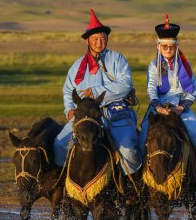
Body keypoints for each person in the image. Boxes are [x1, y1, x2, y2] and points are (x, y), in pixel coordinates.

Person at [53, 9, 141, 177]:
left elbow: (126, 85)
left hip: (115, 111)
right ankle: (65, 185)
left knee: (128, 150)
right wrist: (69, 108)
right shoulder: (77, 66)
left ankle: (129, 185)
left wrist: (95, 92)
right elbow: (67, 90)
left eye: (103, 38)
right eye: (95, 39)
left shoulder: (117, 59)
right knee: (59, 145)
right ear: (87, 40)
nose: (100, 42)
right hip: (85, 114)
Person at [139, 14, 196, 188]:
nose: (168, 50)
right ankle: (139, 184)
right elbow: (151, 88)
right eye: (165, 46)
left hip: (180, 108)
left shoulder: (185, 65)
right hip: (158, 107)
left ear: (176, 47)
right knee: (142, 140)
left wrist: (181, 108)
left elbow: (194, 89)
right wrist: (157, 106)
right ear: (158, 46)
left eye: (171, 46)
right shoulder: (153, 66)